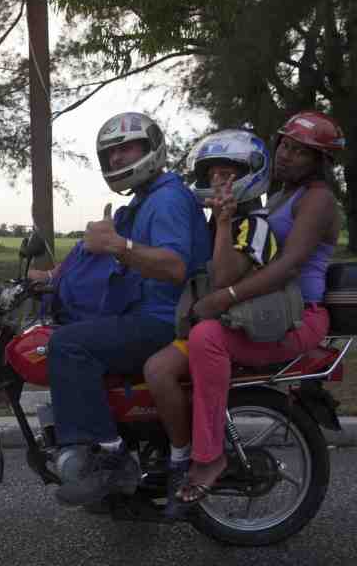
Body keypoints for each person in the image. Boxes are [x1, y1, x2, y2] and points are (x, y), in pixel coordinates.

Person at [162, 111, 344, 512]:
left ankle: (209, 457)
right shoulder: (279, 197)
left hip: (298, 316)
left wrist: (224, 297)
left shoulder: (317, 199)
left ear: (321, 161)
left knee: (207, 339)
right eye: (285, 145)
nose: (287, 155)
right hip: (261, 310)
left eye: (301, 152)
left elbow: (288, 266)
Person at [33, 111, 211, 507]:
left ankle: (111, 457)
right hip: (144, 312)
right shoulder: (144, 200)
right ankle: (122, 439)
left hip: (165, 319)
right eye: (110, 153)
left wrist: (118, 245)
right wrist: (49, 278)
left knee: (68, 345)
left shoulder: (167, 199)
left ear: (151, 148)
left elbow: (174, 266)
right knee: (72, 331)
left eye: (126, 148)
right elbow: (102, 256)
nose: (116, 158)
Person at [142, 129, 278, 516]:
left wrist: (223, 222)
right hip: (202, 322)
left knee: (157, 371)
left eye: (228, 174)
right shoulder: (216, 221)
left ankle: (182, 459)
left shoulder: (255, 225)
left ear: (251, 174)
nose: (218, 181)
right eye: (213, 174)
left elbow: (223, 277)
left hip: (230, 328)